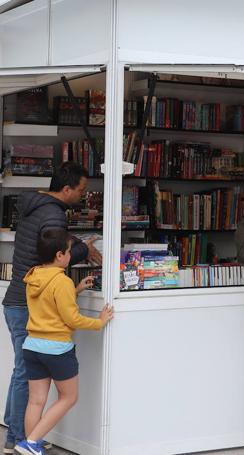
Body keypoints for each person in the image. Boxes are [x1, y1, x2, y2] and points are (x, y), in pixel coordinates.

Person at [3, 162, 101, 454]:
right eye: (81, 190)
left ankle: (17, 433)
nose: (83, 196)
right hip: (26, 305)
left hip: (17, 299)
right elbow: (54, 251)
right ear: (66, 189)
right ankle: (19, 439)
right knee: (25, 376)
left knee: (21, 372)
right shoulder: (53, 214)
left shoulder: (34, 206)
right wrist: (85, 248)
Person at [13, 229, 112, 455]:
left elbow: (49, 306)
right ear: (59, 255)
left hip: (32, 345)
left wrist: (75, 290)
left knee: (36, 401)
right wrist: (100, 322)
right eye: (69, 252)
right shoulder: (61, 281)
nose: (71, 255)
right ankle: (31, 442)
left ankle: (31, 444)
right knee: (69, 397)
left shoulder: (33, 277)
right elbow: (71, 319)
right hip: (56, 349)